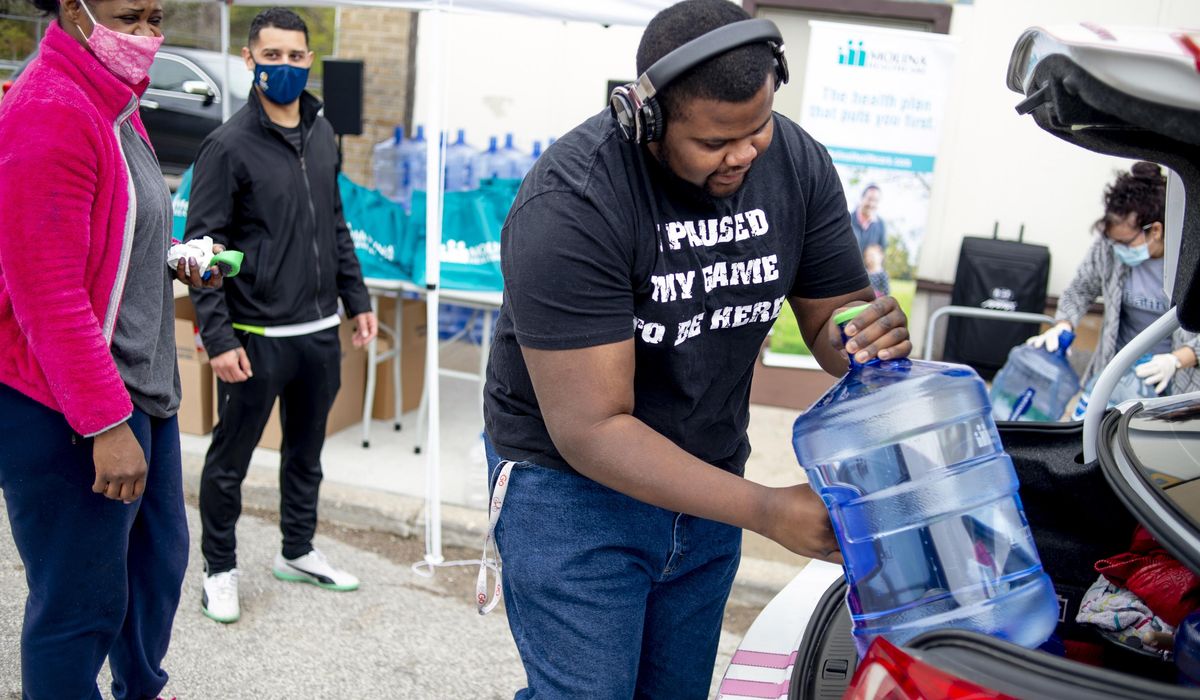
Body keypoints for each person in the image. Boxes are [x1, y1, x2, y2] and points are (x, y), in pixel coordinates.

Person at [481, 1, 911, 696]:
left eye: (758, 128)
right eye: (715, 143)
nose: (743, 153)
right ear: (646, 121)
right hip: (571, 493)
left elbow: (833, 313)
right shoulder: (572, 204)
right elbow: (591, 429)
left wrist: (860, 332)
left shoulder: (797, 162)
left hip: (708, 479)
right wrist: (767, 509)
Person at [0, 0, 225, 696]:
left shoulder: (114, 103)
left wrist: (173, 256)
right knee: (79, 606)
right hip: (70, 404)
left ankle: (141, 687)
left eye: (156, 16)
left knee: (154, 570)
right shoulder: (50, 108)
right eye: (129, 16)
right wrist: (102, 422)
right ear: (74, 9)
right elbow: (47, 291)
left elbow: (107, 237)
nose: (148, 35)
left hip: (140, 389)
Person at [184, 7, 377, 624]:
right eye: (273, 57)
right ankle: (219, 569)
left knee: (307, 453)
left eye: (296, 57)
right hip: (255, 336)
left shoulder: (322, 132)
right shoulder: (226, 146)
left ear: (309, 61)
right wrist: (217, 337)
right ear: (250, 60)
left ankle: (297, 549)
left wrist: (358, 299)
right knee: (230, 462)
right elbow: (201, 254)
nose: (286, 67)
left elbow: (335, 226)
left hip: (319, 333)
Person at [1028, 162, 1198, 401]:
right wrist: (1064, 323)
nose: (1116, 249)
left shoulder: (1191, 259)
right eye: (1112, 241)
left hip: (1178, 381)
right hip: (1119, 374)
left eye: (1125, 243)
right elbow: (1080, 289)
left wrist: (1177, 359)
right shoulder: (1110, 247)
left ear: (1155, 231)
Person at [850, 183, 889, 297]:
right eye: (869, 199)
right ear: (862, 199)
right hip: (848, 275)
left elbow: (882, 251)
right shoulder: (847, 219)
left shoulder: (880, 224)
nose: (872, 204)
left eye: (876, 200)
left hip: (869, 280)